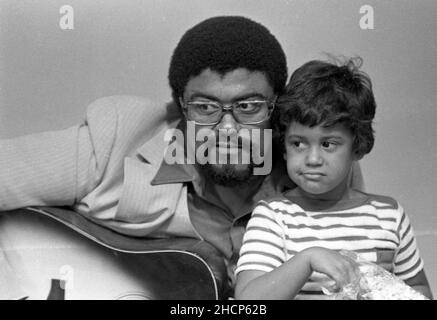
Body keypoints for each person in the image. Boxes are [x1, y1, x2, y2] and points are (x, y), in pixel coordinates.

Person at [0, 16, 363, 296]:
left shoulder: (319, 165)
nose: (227, 130)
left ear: (277, 107)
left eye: (248, 106)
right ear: (179, 108)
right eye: (205, 107)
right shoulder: (117, 140)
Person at [234, 58, 433, 300]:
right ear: (284, 147)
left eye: (328, 144)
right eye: (298, 143)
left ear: (358, 146)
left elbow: (419, 290)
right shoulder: (273, 217)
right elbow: (249, 301)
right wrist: (308, 258)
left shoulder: (389, 216)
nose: (313, 159)